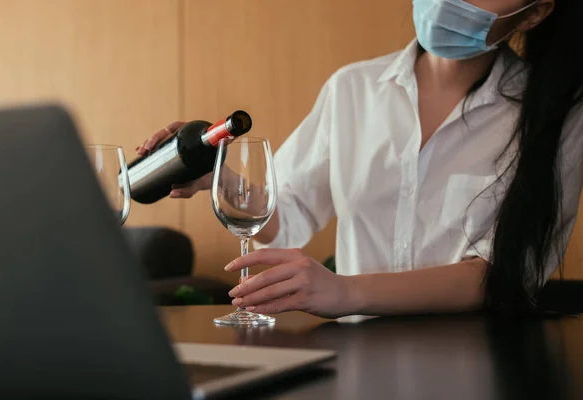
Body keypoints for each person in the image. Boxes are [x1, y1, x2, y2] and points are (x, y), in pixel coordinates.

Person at [139, 0, 583, 317]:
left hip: (481, 360)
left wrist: (345, 292)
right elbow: (285, 213)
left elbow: (504, 274)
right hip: (359, 357)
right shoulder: (353, 88)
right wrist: (218, 177)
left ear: (537, 11)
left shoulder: (556, 115)